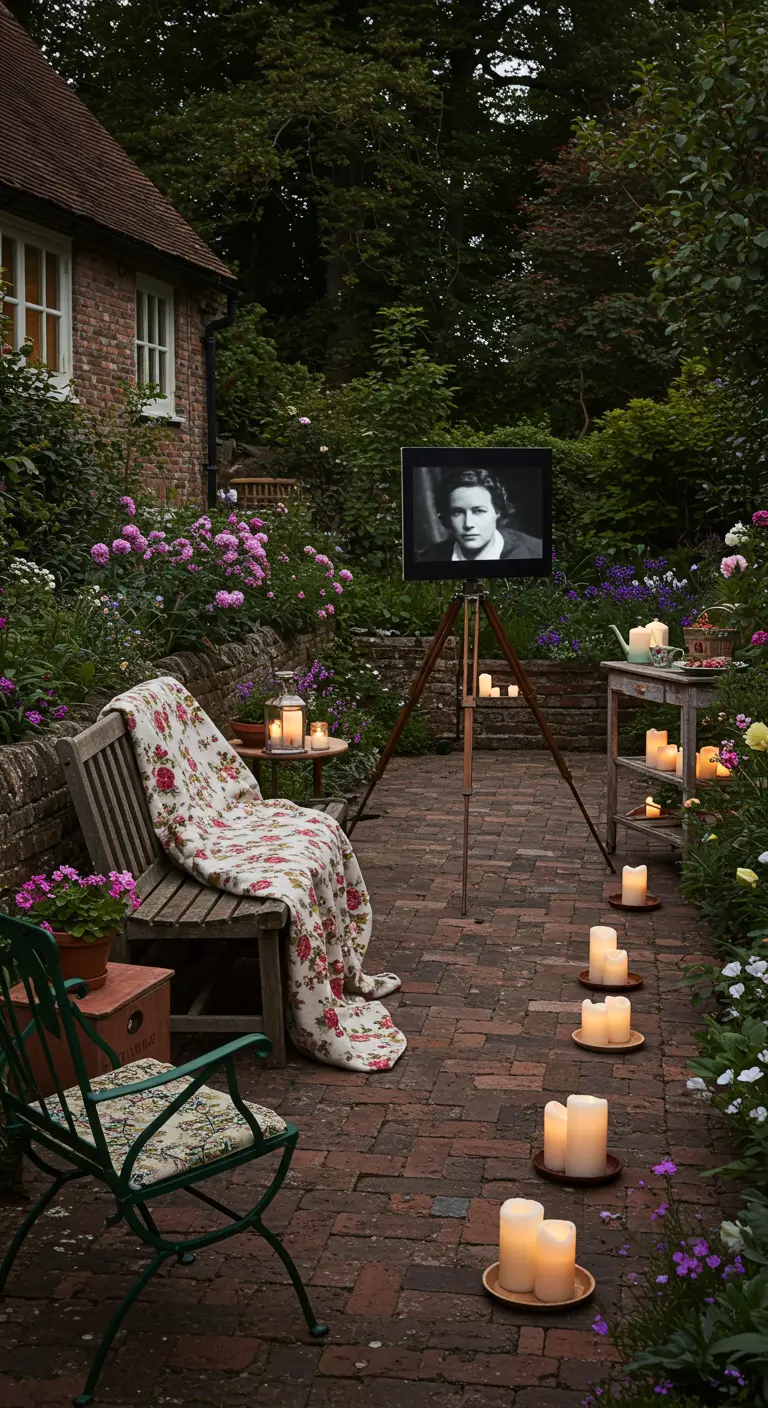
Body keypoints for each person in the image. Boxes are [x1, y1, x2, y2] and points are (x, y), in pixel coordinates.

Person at [418, 467, 542, 562]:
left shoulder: (537, 552)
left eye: (479, 511)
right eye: (457, 513)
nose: (468, 524)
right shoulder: (428, 559)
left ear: (497, 512)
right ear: (446, 517)